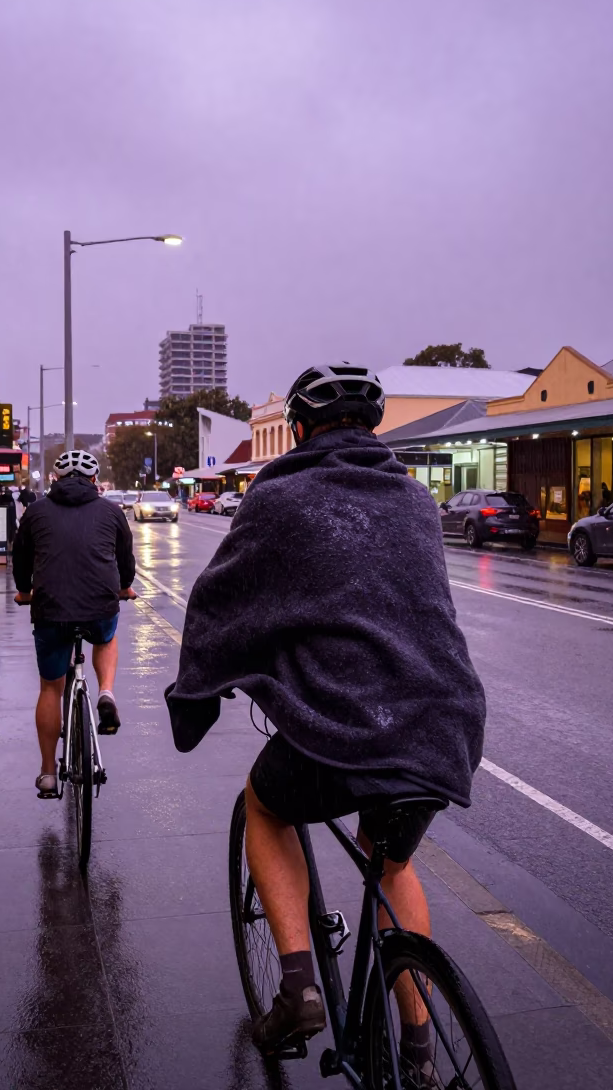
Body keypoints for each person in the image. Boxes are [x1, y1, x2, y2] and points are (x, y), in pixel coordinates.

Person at [165, 364, 486, 1063]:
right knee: (392, 864)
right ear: (372, 429)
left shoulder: (279, 499)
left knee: (266, 805)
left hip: (342, 726)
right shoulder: (413, 500)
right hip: (441, 723)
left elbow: (222, 600)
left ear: (300, 430)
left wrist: (203, 686)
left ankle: (299, 988)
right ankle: (423, 1050)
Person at [12, 449, 137, 797]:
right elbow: (125, 560)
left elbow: (20, 557)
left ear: (55, 479)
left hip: (50, 609)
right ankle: (107, 693)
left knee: (50, 688)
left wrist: (25, 591)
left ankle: (48, 772)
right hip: (99, 606)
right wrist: (125, 586)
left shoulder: (35, 511)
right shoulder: (112, 511)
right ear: (94, 480)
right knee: (106, 636)